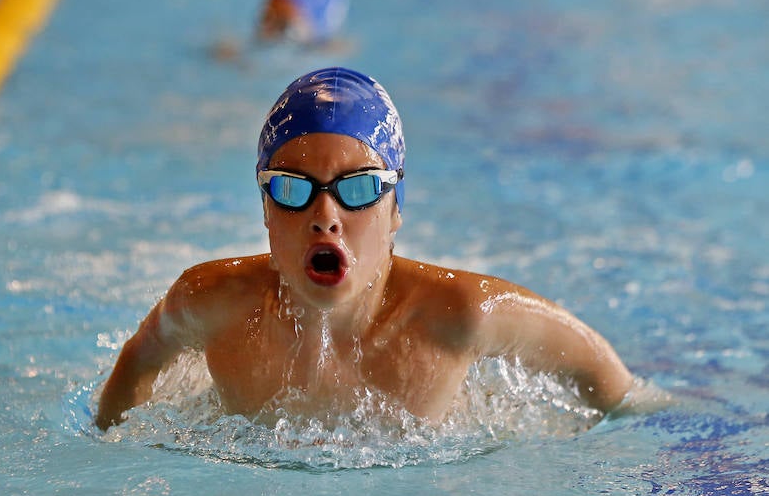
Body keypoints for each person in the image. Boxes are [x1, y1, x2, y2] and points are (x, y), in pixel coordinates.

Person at [95, 67, 633, 431]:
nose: (325, 217)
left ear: (396, 209)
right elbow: (136, 369)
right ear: (264, 210)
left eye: (357, 190)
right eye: (292, 188)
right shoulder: (210, 301)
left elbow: (611, 384)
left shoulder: (459, 316)